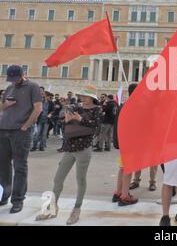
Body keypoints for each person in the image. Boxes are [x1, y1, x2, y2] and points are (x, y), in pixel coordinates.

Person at [35, 85, 101, 225]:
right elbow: (65, 125)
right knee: (58, 179)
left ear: (91, 97)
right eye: (81, 96)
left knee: (80, 179)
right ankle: (52, 207)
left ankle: (77, 209)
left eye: (84, 96)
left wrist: (80, 120)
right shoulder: (77, 107)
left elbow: (95, 127)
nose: (81, 98)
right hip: (70, 147)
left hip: (83, 149)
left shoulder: (97, 110)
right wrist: (66, 121)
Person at [0, 65, 42, 214]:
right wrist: (6, 104)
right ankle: (4, 194)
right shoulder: (9, 88)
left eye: (15, 79)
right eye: (11, 79)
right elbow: (1, 108)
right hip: (4, 129)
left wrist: (26, 126)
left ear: (23, 75)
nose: (13, 82)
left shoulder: (33, 87)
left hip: (20, 132)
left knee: (20, 166)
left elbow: (38, 108)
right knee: (3, 165)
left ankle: (18, 200)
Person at [112, 83, 139, 207]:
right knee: (128, 169)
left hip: (123, 141)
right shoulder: (135, 106)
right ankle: (124, 196)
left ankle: (118, 192)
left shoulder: (123, 105)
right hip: (130, 142)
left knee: (122, 168)